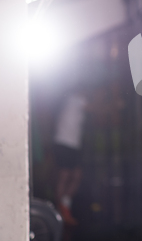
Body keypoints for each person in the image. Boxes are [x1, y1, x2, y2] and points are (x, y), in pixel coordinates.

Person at [52, 89, 88, 226]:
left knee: (76, 175)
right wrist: (114, 105)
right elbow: (96, 109)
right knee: (65, 175)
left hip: (72, 145)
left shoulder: (78, 99)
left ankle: (63, 206)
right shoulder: (76, 98)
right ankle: (60, 210)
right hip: (64, 142)